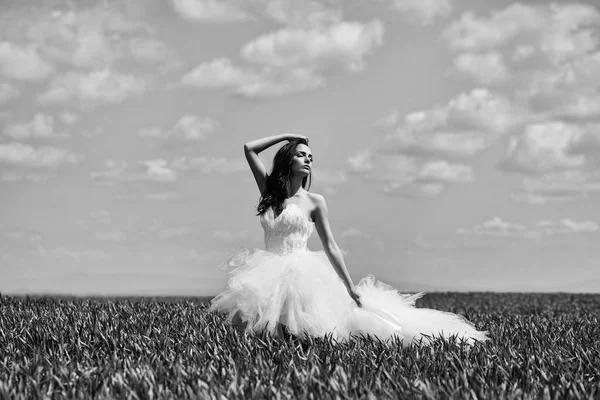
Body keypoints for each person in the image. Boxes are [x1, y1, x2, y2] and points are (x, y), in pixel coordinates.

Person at [209, 133, 489, 346]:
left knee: (303, 332)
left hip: (301, 270)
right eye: (301, 155)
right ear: (287, 160)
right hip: (267, 269)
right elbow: (249, 148)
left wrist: (349, 286)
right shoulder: (270, 190)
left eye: (310, 157)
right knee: (261, 334)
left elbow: (330, 245)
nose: (308, 160)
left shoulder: (315, 202)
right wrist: (288, 137)